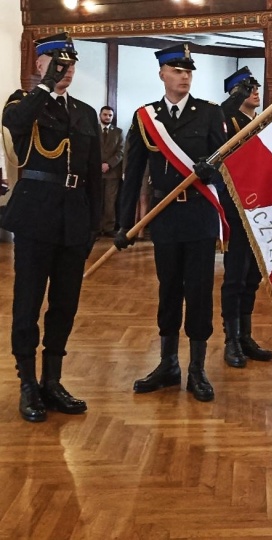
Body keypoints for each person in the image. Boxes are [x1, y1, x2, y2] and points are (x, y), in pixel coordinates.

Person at [114, 43, 228, 403]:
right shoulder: (145, 117)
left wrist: (215, 172)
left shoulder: (209, 114)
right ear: (162, 73)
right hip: (165, 218)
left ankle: (196, 368)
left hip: (198, 214)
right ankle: (168, 364)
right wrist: (123, 223)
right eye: (177, 70)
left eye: (188, 71)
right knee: (168, 290)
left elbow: (229, 165)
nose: (184, 76)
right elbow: (132, 173)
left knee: (197, 291)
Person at [2, 32, 101, 423]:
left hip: (74, 218)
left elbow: (93, 173)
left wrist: (94, 223)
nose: (66, 70)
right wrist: (44, 86)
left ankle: (52, 380)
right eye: (58, 63)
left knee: (65, 304)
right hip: (35, 216)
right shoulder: (22, 102)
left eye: (71, 64)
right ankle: (27, 383)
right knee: (27, 302)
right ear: (39, 64)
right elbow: (15, 123)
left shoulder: (84, 111)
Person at [218, 66, 272, 369]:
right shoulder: (227, 122)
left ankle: (246, 335)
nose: (256, 91)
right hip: (236, 208)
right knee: (235, 276)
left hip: (260, 208)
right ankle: (231, 339)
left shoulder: (260, 123)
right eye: (248, 87)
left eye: (256, 86)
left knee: (252, 276)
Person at [98, 105, 123, 237]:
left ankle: (108, 227)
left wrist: (109, 164)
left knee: (110, 201)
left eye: (110, 115)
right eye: (105, 114)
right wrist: (99, 165)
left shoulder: (118, 132)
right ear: (100, 115)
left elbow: (121, 152)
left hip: (112, 173)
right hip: (95, 172)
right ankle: (96, 228)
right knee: (96, 200)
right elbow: (90, 149)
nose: (107, 117)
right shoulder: (93, 130)